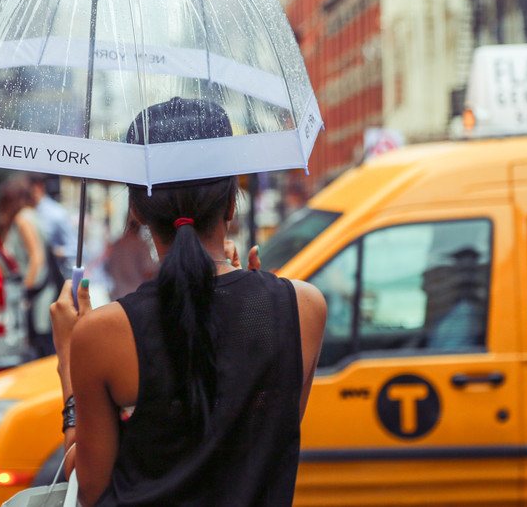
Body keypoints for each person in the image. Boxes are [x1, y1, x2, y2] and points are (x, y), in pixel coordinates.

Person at [50, 97, 327, 506]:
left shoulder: (102, 334)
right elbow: (263, 439)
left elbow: (90, 487)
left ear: (138, 213)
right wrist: (254, 318)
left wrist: (68, 361)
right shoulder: (304, 309)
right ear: (232, 204)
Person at [0, 175, 63, 358]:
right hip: (43, 291)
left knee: (40, 348)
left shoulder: (23, 218)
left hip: (38, 295)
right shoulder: (33, 215)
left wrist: (26, 291)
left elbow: (37, 257)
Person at [29, 173, 79, 276]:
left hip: (53, 278)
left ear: (38, 187)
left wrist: (54, 252)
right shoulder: (29, 210)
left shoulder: (56, 214)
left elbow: (76, 249)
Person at [100, 213, 157, 300]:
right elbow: (148, 271)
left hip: (118, 296)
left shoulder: (116, 244)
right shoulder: (141, 245)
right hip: (136, 297)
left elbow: (107, 268)